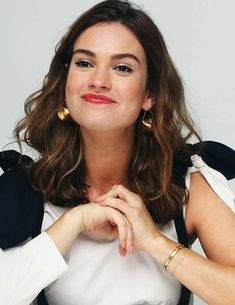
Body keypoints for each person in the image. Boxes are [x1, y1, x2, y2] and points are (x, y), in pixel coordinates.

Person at [0, 0, 235, 304]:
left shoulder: (190, 185)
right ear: (65, 82)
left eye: (122, 68)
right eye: (84, 63)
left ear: (149, 94)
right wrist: (74, 223)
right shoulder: (25, 189)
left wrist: (153, 241)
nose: (99, 81)